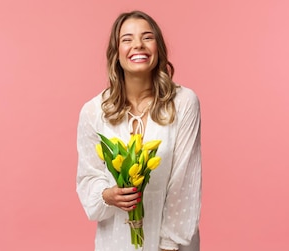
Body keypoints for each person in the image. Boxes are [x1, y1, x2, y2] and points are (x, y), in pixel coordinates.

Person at [76, 10, 202, 251]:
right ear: (116, 53)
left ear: (159, 47)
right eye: (127, 39)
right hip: (115, 240)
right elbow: (88, 177)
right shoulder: (93, 111)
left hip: (172, 245)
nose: (138, 45)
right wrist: (107, 194)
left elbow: (184, 184)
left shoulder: (183, 102)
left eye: (147, 37)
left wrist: (169, 245)